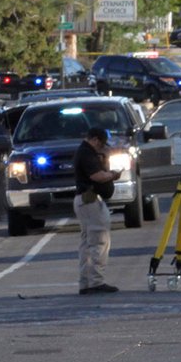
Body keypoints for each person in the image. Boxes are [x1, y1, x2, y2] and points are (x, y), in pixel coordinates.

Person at [73, 126, 123, 294]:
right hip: (90, 200)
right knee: (99, 240)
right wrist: (113, 175)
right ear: (94, 139)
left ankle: (86, 282)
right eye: (101, 144)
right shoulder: (86, 153)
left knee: (88, 242)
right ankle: (96, 281)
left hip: (85, 201)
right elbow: (97, 176)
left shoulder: (85, 151)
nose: (101, 147)